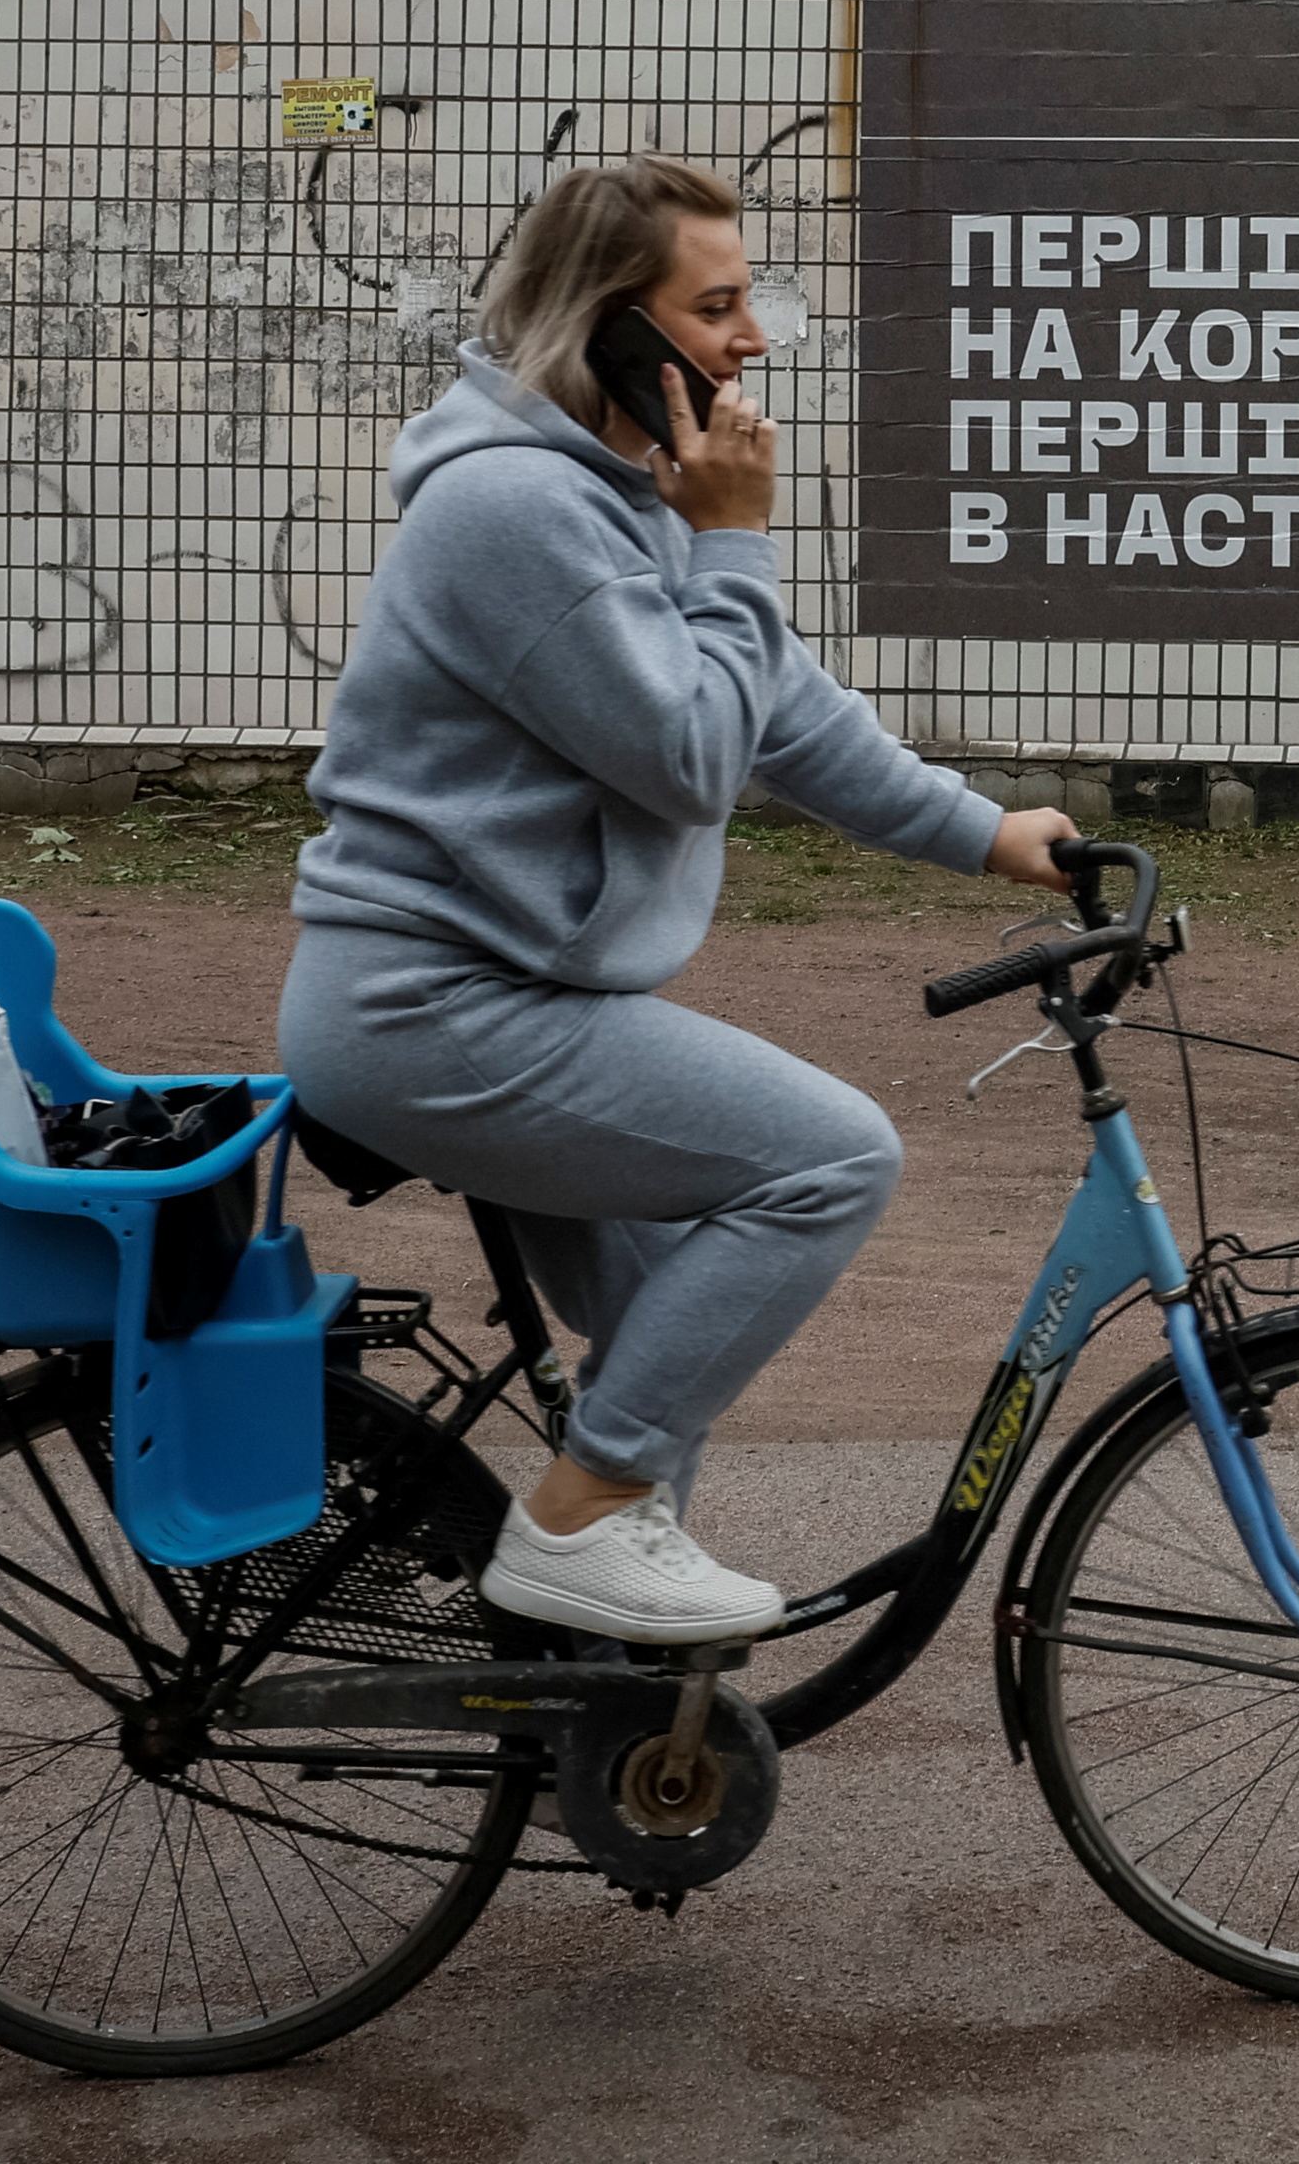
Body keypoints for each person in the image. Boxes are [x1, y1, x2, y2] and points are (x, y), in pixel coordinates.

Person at [281, 154, 1077, 1644]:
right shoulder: (519, 510)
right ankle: (579, 1531)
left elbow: (771, 703)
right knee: (829, 1159)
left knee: (666, 1324)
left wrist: (986, 835)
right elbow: (696, 758)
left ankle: (598, 1678)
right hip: (436, 1012)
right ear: (613, 329)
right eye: (716, 308)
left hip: (501, 995)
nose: (753, 338)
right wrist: (732, 535)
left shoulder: (607, 488)